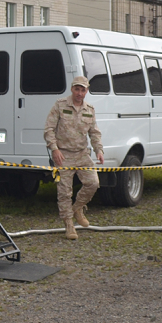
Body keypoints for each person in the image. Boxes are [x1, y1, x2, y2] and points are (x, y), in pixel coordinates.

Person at [44, 76, 104, 240]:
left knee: (93, 183)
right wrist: (54, 149)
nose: (79, 93)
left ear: (86, 91)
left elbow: (94, 132)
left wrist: (99, 150)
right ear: (72, 89)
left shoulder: (89, 109)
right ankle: (69, 225)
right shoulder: (60, 105)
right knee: (64, 192)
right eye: (77, 89)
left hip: (82, 154)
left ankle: (77, 208)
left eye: (83, 90)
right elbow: (49, 129)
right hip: (64, 155)